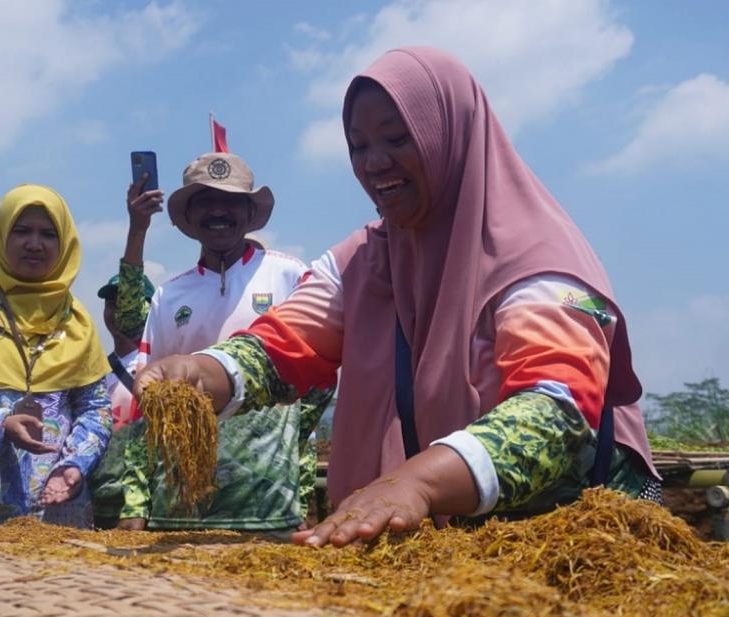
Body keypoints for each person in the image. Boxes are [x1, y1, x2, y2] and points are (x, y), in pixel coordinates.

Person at [133, 47, 660, 547]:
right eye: (359, 146)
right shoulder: (366, 257)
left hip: (565, 542)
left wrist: (421, 483)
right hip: (452, 550)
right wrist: (202, 373)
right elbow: (286, 344)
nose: (374, 162)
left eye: (398, 138)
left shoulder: (538, 260)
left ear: (449, 135)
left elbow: (557, 410)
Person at [116, 153, 334, 532]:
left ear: (250, 213)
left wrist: (295, 492)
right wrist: (135, 503)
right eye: (205, 202)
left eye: (231, 201)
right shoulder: (169, 297)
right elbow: (145, 408)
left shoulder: (290, 276)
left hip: (269, 508)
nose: (218, 211)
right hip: (180, 511)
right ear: (188, 218)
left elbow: (319, 383)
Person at [0, 184, 111, 528]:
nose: (34, 244)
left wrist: (73, 466)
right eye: (22, 231)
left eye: (48, 234)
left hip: (59, 508)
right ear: (0, 235)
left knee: (58, 583)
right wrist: (1, 425)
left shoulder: (77, 320)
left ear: (65, 244)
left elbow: (95, 408)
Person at [88, 272, 154, 528]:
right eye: (112, 303)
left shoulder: (159, 364)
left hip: (147, 503)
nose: (118, 310)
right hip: (102, 501)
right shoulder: (96, 373)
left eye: (129, 301)